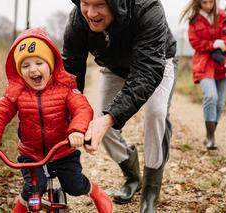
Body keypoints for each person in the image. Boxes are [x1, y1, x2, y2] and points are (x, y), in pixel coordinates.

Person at [0, 28, 113, 213]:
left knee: (74, 186)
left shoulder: (65, 89)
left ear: (51, 64)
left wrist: (77, 131)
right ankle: (19, 208)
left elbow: (82, 109)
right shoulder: (16, 93)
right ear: (19, 71)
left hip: (62, 150)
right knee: (33, 188)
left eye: (39, 62)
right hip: (31, 154)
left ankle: (95, 192)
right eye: (25, 66)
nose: (33, 69)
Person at [62, 0, 177, 212]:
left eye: (99, 5)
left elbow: (146, 72)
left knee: (156, 113)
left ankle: (150, 192)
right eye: (85, 3)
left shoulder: (149, 9)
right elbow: (71, 70)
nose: (90, 12)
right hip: (113, 67)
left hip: (156, 63)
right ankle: (133, 177)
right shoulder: (78, 19)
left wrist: (111, 117)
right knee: (101, 126)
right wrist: (70, 117)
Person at [181, 0, 226, 150]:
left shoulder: (223, 15)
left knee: (220, 104)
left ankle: (211, 133)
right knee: (210, 96)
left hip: (223, 63)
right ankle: (210, 138)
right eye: (204, 3)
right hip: (204, 63)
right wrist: (213, 44)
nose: (207, 6)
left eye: (210, 2)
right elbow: (195, 42)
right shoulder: (194, 19)